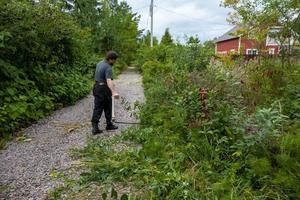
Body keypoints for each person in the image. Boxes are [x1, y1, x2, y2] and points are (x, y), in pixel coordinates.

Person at [91, 51, 120, 134]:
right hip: (103, 88)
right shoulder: (108, 67)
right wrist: (114, 92)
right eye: (114, 60)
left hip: (96, 87)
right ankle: (106, 125)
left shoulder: (99, 63)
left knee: (98, 106)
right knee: (107, 107)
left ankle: (97, 126)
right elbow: (109, 80)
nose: (115, 62)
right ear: (110, 59)